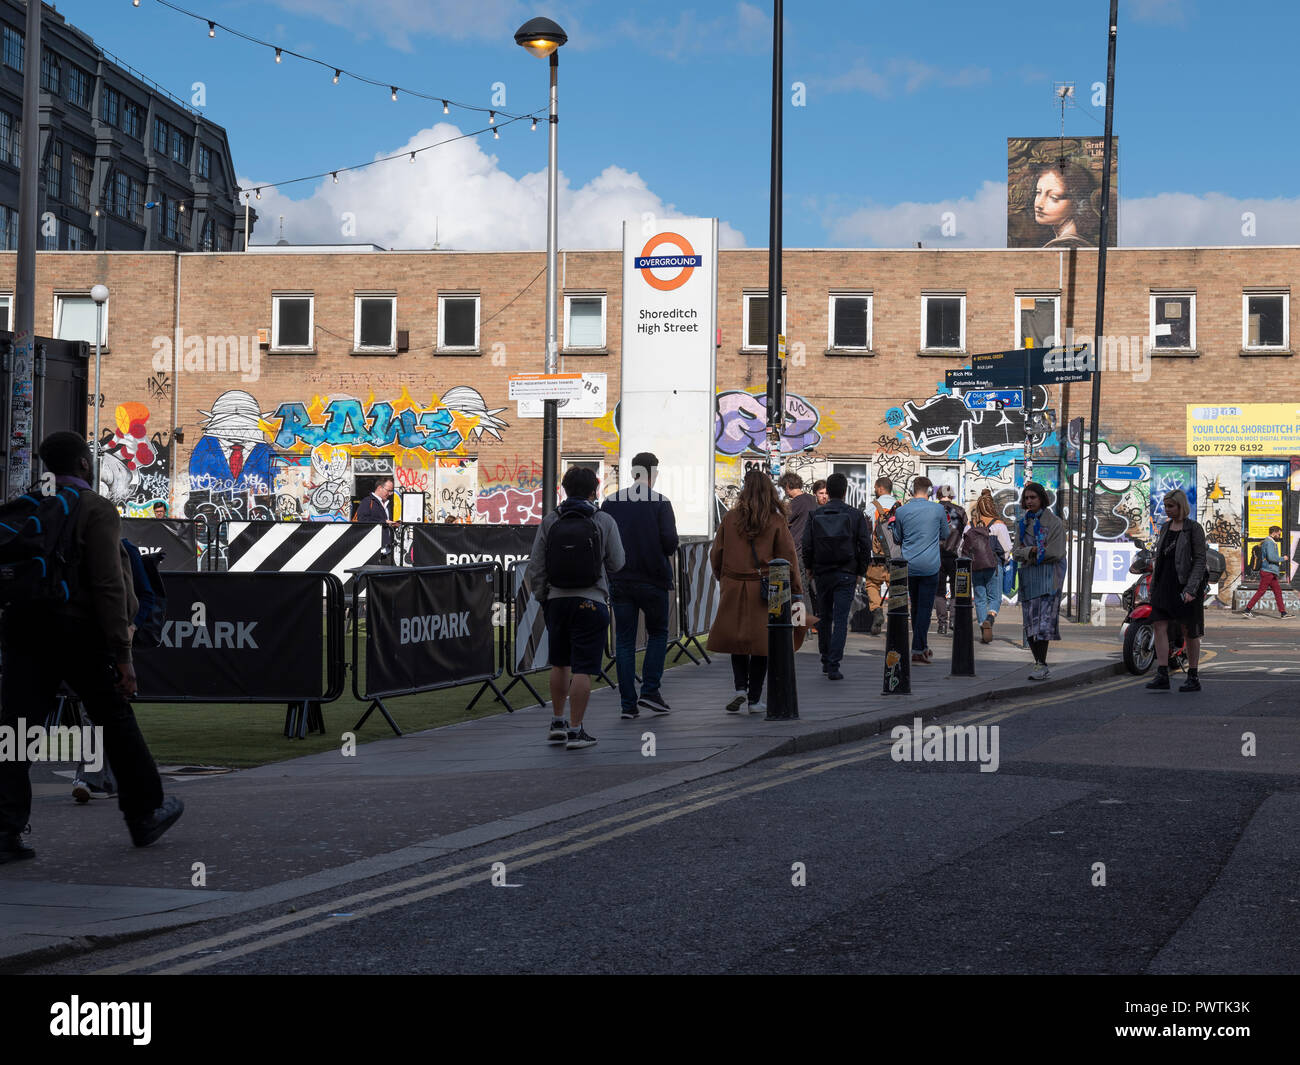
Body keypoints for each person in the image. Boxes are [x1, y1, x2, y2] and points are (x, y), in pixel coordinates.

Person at [1, 432, 184, 863]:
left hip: (25, 628)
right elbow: (107, 584)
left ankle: (5, 829)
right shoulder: (95, 508)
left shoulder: (31, 506)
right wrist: (123, 655)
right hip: (77, 631)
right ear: (85, 464)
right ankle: (145, 812)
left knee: (16, 729)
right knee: (115, 719)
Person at [527, 466, 625, 750]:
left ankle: (557, 722)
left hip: (556, 600)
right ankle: (576, 729)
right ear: (594, 491)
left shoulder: (550, 520)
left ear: (565, 488)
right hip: (591, 600)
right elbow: (618, 563)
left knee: (559, 662)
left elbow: (536, 564)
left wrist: (542, 596)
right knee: (583, 667)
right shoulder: (603, 520)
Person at [708, 469, 802, 714]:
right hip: (764, 587)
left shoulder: (730, 518)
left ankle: (740, 687)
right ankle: (754, 699)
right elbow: (788, 556)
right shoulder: (775, 520)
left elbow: (715, 553)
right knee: (762, 644)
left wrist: (723, 577)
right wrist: (796, 589)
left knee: (737, 640)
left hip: (734, 584)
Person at [601, 452, 679, 719]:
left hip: (620, 579)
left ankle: (627, 705)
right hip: (653, 578)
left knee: (624, 641)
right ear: (653, 473)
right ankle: (650, 692)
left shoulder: (611, 502)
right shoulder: (660, 502)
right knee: (658, 634)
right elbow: (670, 543)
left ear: (633, 472)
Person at [802, 472, 871, 680]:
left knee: (824, 617)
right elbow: (865, 546)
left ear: (828, 492)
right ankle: (834, 664)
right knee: (841, 619)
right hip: (846, 572)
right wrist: (860, 570)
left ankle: (824, 658)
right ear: (845, 491)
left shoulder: (815, 515)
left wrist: (809, 568)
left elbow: (807, 545)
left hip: (822, 572)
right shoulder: (855, 515)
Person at [1144, 490, 1209, 691]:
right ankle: (1162, 673)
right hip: (1165, 583)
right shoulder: (1165, 527)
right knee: (1159, 626)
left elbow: (1200, 560)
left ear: (1181, 506)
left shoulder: (1193, 529)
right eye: (1165, 506)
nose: (1167, 510)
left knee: (1189, 631)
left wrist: (1191, 588)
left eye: (1171, 506)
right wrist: (1154, 586)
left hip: (1185, 585)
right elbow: (1161, 558)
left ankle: (1193, 676)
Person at [890, 476, 950, 665]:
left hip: (909, 565)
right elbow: (945, 534)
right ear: (930, 491)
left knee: (915, 606)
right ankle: (917, 649)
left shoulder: (901, 511)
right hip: (930, 565)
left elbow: (897, 538)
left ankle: (922, 646)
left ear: (911, 490)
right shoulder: (938, 509)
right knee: (924, 608)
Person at [1013, 482, 1067, 681]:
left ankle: (1041, 664)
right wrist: (1032, 551)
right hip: (1029, 578)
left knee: (1043, 624)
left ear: (1042, 499)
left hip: (1049, 578)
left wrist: (1033, 554)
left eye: (1032, 497)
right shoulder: (1022, 523)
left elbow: (1056, 552)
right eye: (1026, 498)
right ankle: (1039, 662)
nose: (1029, 501)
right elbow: (1016, 552)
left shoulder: (1054, 523)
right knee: (1029, 624)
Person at [962, 489, 1011, 643]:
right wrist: (1006, 561)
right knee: (995, 598)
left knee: (980, 598)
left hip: (975, 566)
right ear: (992, 507)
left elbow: (961, 548)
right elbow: (1007, 548)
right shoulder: (999, 525)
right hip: (994, 566)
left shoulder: (970, 525)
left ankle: (984, 628)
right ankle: (990, 618)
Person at [1031, 157, 1101, 249]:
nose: (1039, 204)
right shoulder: (1068, 241)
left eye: (1053, 197)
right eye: (1038, 192)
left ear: (1077, 202)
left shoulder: (1064, 246)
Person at [864, 477, 900, 636]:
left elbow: (864, 533)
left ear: (879, 489)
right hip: (896, 558)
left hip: (876, 558)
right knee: (896, 589)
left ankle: (877, 610)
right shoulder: (900, 507)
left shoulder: (871, 508)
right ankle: (896, 620)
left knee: (872, 585)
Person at [781, 471, 819, 617]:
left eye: (785, 489)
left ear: (789, 486)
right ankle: (815, 620)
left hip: (797, 549)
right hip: (812, 549)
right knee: (811, 587)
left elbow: (782, 521)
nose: (786, 492)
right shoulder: (812, 500)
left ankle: (803, 623)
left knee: (799, 587)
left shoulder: (795, 503)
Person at [932, 484, 968, 637]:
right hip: (955, 555)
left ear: (938, 495)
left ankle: (942, 625)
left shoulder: (933, 509)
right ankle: (953, 620)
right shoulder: (960, 511)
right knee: (955, 590)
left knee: (939, 591)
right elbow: (966, 531)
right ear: (952, 496)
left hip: (937, 554)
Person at [1242, 525, 1293, 619]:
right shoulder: (1269, 542)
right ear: (1274, 532)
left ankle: (1283, 613)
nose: (1279, 536)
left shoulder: (1268, 541)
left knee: (1277, 591)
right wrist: (1283, 558)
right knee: (1261, 591)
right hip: (1268, 571)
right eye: (1279, 534)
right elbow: (1271, 557)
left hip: (1271, 572)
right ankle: (1247, 610)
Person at [356, 475, 399, 561]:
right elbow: (362, 520)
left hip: (387, 550)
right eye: (389, 491)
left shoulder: (387, 503)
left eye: (391, 491)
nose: (390, 494)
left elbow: (385, 522)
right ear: (380, 488)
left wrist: (393, 524)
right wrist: (384, 522)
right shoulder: (367, 501)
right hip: (372, 550)